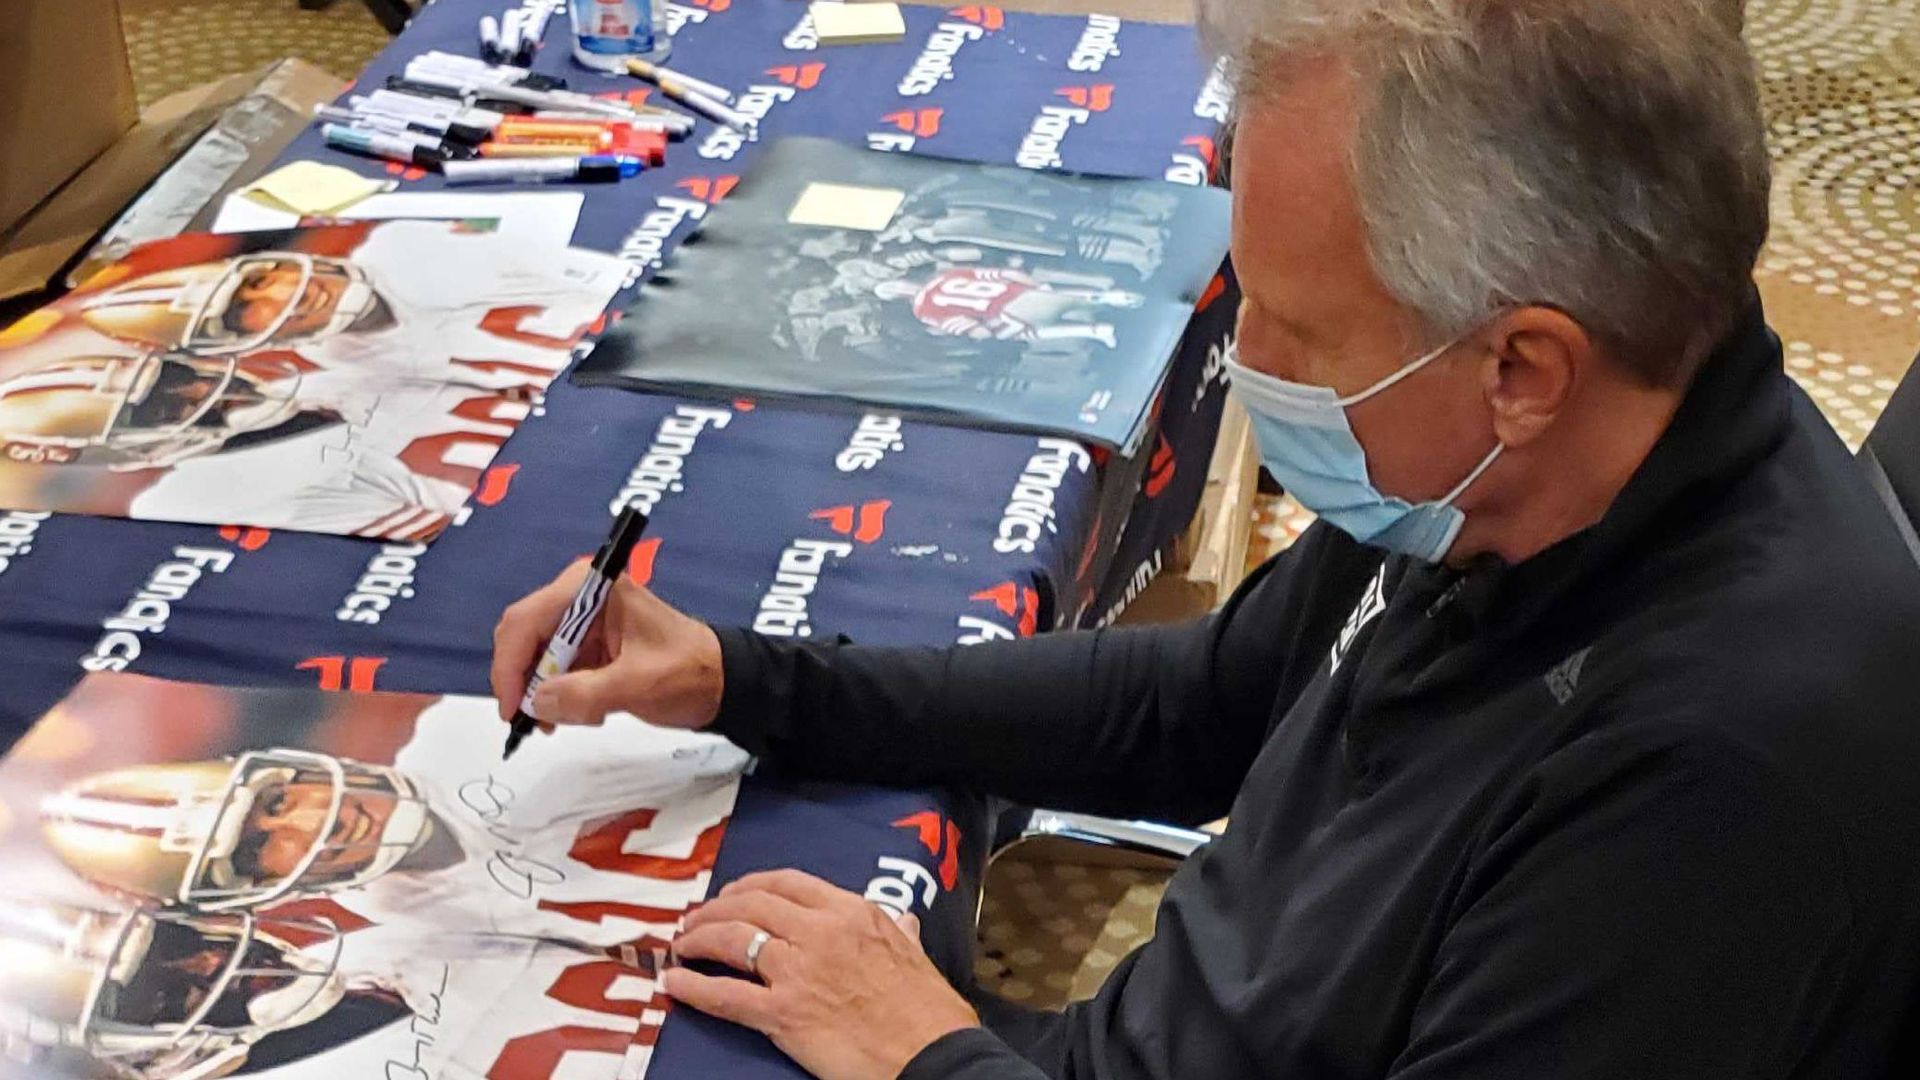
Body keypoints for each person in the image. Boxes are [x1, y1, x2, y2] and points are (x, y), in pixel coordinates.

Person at [491, 1, 1920, 1078]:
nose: (1244, 360)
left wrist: (930, 1057)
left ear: (1523, 369)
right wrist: (745, 681)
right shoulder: (1512, 477)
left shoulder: (1708, 800)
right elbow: (1195, 701)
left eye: (1296, 326)